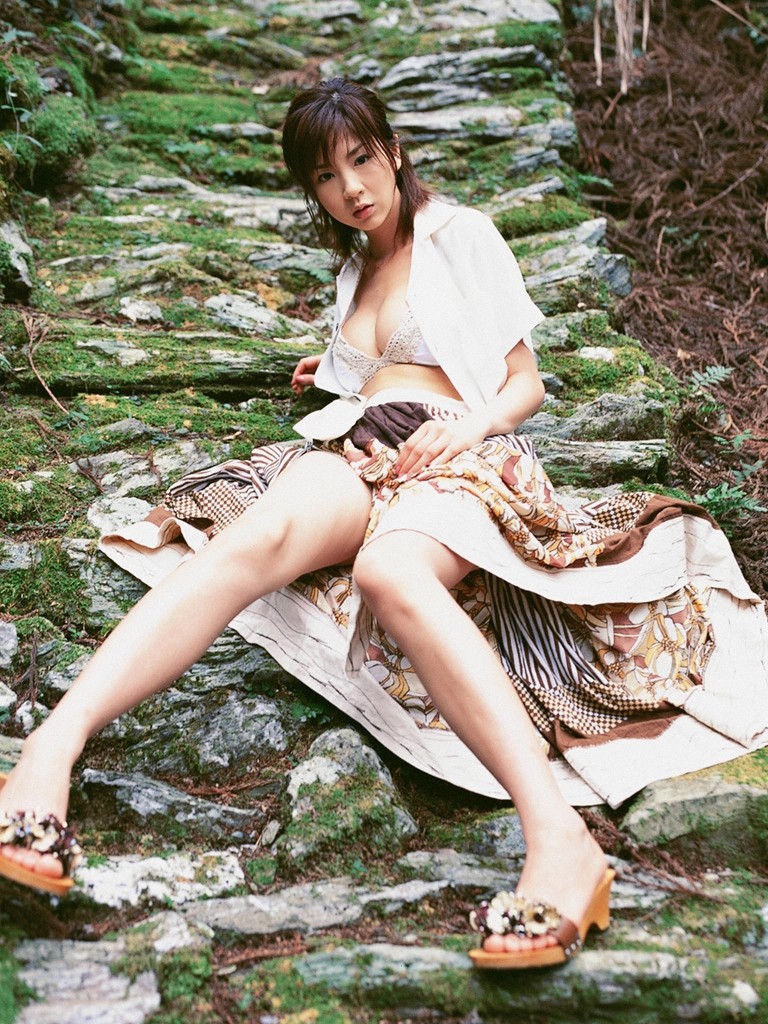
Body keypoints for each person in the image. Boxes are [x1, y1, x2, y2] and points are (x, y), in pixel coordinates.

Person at [1, 77, 766, 971]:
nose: (351, 188)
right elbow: (372, 368)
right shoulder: (354, 270)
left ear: (394, 151)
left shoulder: (460, 234)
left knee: (389, 573)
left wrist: (466, 429)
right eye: (327, 177)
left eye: (362, 159)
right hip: (360, 447)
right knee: (254, 540)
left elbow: (524, 383)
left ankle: (561, 843)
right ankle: (50, 751)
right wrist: (332, 371)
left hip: (458, 450)